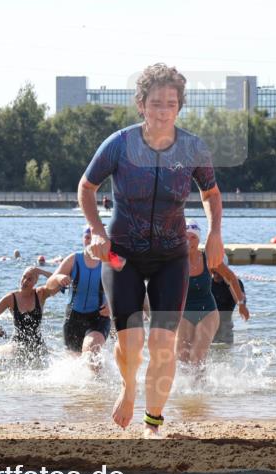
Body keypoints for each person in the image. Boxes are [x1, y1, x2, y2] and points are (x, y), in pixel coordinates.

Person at [77, 63, 223, 438]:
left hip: (171, 257)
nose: (163, 111)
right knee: (131, 343)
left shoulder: (192, 147)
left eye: (171, 103)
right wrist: (97, 231)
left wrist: (214, 234)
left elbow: (210, 193)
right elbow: (86, 188)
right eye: (156, 103)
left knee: (162, 344)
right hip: (122, 256)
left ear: (179, 107)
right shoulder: (120, 144)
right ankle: (128, 389)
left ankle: (153, 423)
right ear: (141, 104)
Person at [46, 226, 112, 374]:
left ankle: (99, 385)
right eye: (87, 238)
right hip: (73, 318)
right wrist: (58, 278)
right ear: (83, 239)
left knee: (91, 350)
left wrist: (112, 306)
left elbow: (124, 289)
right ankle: (87, 389)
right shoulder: (74, 259)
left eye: (93, 238)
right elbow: (49, 285)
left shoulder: (108, 262)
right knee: (75, 367)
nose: (90, 241)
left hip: (99, 316)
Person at [0, 266, 58, 364]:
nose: (25, 281)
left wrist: (40, 271)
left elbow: (59, 283)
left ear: (35, 282)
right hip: (17, 344)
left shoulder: (40, 294)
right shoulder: (11, 298)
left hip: (38, 344)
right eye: (24, 277)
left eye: (29, 279)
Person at [175, 220, 220, 376]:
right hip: (184, 312)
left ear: (199, 239)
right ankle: (185, 390)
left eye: (193, 237)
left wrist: (241, 302)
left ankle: (201, 389)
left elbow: (231, 278)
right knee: (181, 358)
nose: (189, 241)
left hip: (207, 311)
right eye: (185, 237)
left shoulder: (208, 258)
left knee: (197, 357)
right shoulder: (174, 262)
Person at [211, 264, 249, 344]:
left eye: (219, 273)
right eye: (214, 272)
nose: (216, 276)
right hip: (210, 326)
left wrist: (229, 284)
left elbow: (239, 302)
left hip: (226, 326)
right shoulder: (208, 283)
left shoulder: (236, 283)